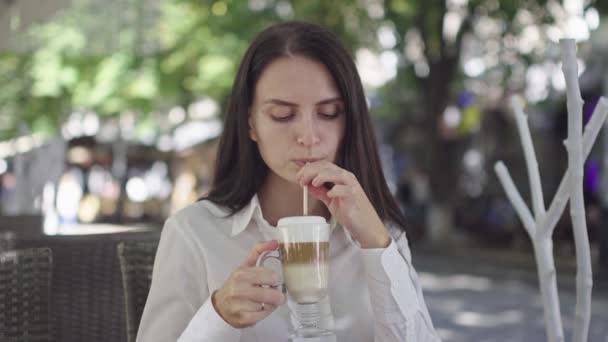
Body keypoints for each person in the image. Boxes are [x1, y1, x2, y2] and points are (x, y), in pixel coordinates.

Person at [137, 21, 440, 342]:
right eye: (282, 115)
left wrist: (378, 245)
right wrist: (217, 315)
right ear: (250, 123)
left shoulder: (380, 232)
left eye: (329, 113)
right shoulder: (195, 232)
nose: (308, 136)